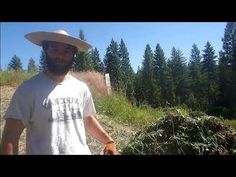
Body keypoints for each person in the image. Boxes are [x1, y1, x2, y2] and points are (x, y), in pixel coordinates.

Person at [1, 30, 116, 155]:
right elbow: (11, 134)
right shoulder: (28, 89)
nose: (60, 56)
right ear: (45, 50)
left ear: (74, 54)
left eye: (67, 51)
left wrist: (109, 141)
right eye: (54, 49)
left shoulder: (81, 88)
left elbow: (87, 119)